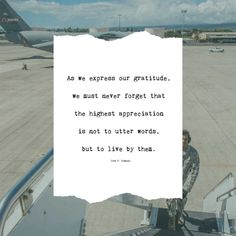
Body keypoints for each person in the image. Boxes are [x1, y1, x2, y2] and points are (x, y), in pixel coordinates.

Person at [167, 129, 200, 230]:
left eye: (185, 139)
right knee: (170, 201)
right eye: (181, 139)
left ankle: (179, 214)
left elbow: (194, 171)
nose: (183, 141)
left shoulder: (193, 153)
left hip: (183, 182)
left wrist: (186, 188)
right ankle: (172, 219)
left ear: (188, 140)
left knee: (181, 201)